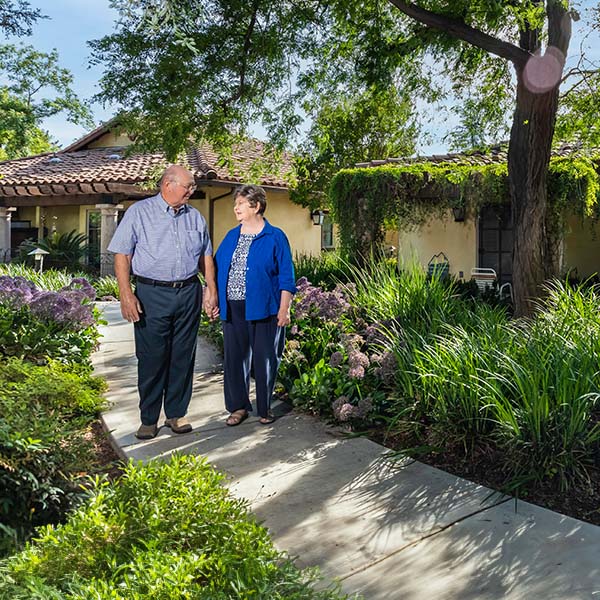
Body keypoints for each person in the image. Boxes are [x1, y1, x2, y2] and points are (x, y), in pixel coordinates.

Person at [108, 165, 217, 440]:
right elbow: (122, 255)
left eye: (192, 187)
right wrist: (125, 293)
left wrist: (210, 289)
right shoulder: (139, 212)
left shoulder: (195, 217)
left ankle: (176, 414)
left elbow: (205, 257)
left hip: (188, 292)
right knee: (151, 357)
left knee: (183, 355)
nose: (192, 191)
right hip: (151, 293)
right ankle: (148, 418)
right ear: (168, 184)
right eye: (188, 186)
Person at [213, 184, 296, 425]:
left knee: (265, 358)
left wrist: (284, 308)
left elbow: (286, 276)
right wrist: (214, 298)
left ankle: (264, 408)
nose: (235, 207)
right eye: (235, 203)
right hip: (233, 307)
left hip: (264, 307)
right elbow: (218, 270)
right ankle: (238, 408)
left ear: (256, 206)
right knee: (234, 359)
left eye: (240, 203)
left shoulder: (275, 236)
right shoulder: (231, 236)